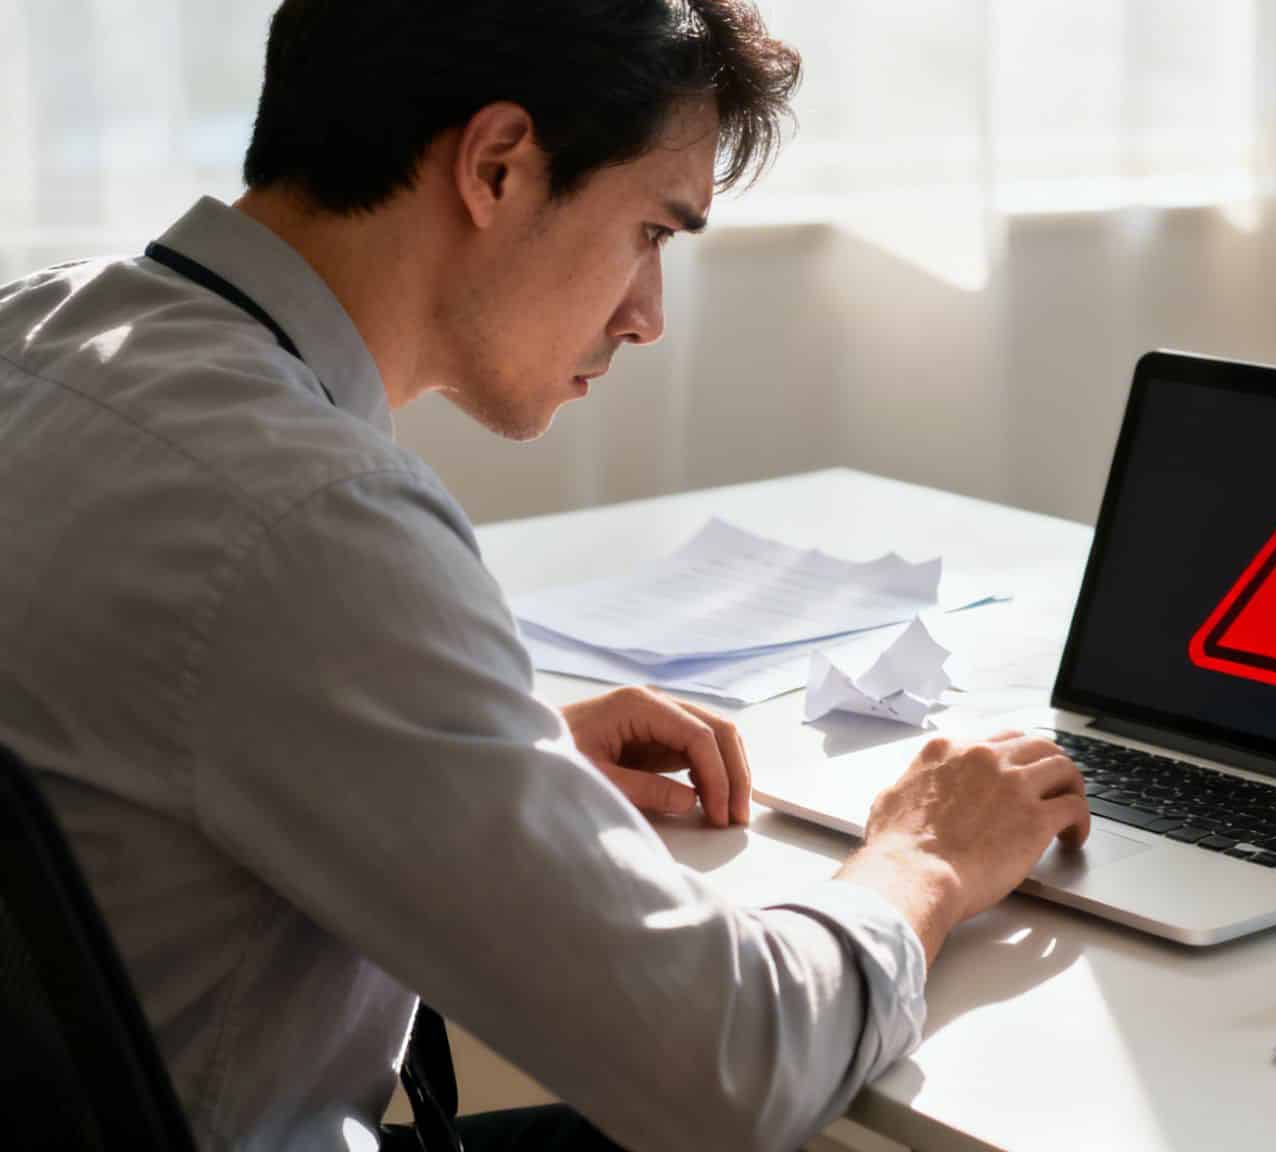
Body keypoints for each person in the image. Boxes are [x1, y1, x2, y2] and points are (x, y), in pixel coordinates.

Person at [0, 2, 1090, 1150]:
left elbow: (128, 734)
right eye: (652, 234)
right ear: (499, 165)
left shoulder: (39, 336)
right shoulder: (312, 520)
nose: (648, 317)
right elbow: (731, 1066)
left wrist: (460, 752)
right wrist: (924, 855)